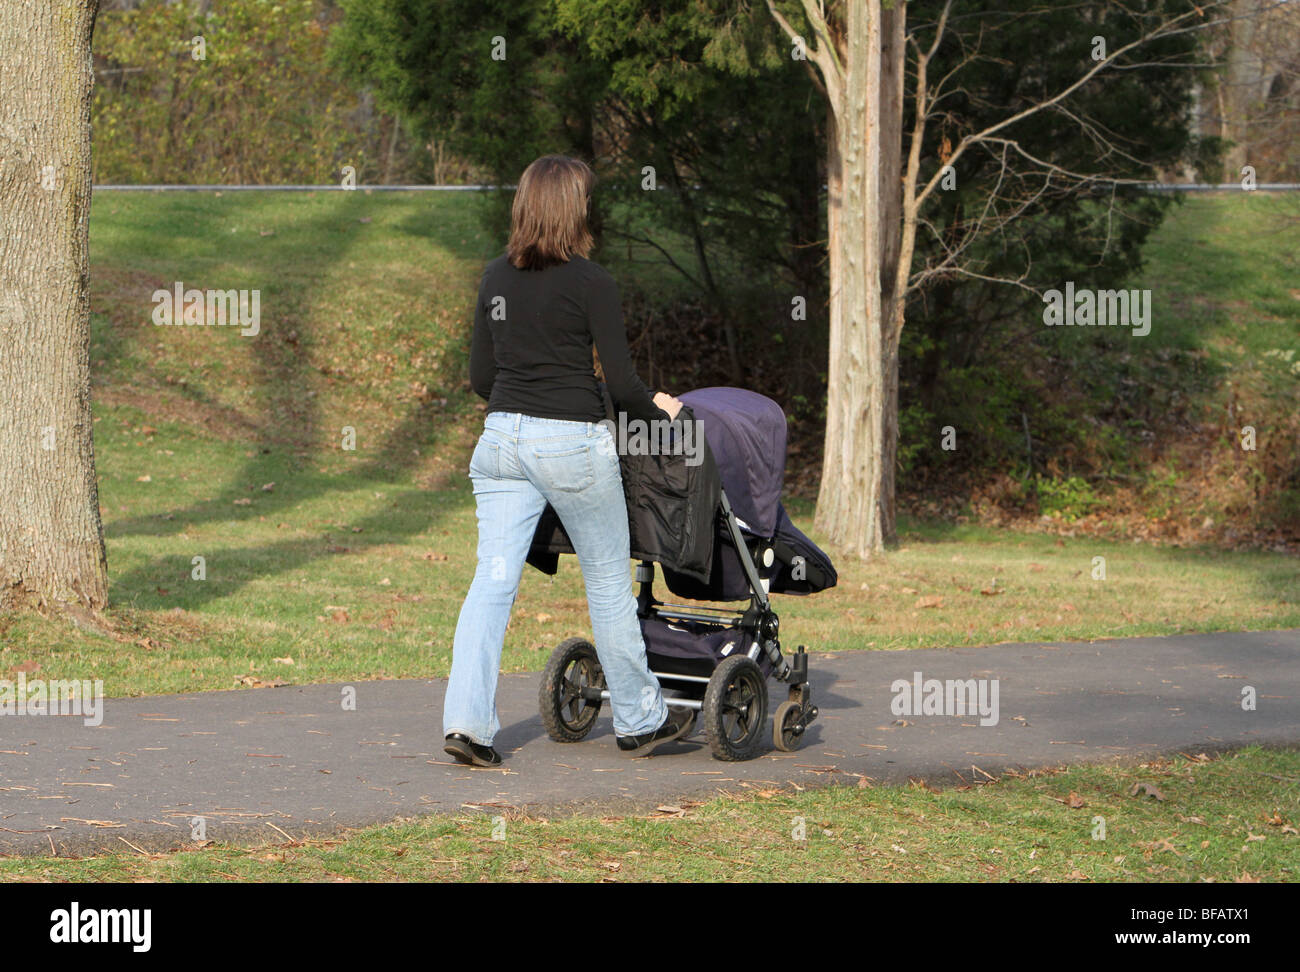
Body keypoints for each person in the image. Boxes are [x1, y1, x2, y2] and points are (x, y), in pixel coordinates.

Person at [441, 155, 695, 766]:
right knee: (607, 582)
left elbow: (481, 376)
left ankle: (467, 725)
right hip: (572, 444)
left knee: (492, 584)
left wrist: (520, 403)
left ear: (525, 206)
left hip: (500, 440)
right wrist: (666, 413)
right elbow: (627, 388)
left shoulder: (494, 278)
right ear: (574, 210)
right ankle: (639, 720)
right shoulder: (592, 283)